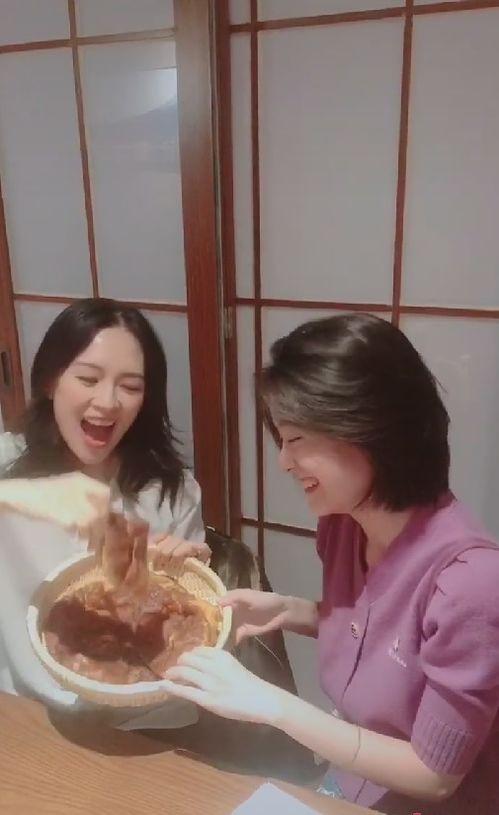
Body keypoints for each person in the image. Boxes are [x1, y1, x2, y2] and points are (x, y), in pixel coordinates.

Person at [160, 313, 499, 814]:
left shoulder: (471, 583)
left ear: (373, 429)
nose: (283, 461)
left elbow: (433, 776)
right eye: (281, 439)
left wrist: (272, 705)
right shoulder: (344, 526)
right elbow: (382, 632)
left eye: (297, 439)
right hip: (350, 786)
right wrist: (291, 611)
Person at [0, 297, 209, 729]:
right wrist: (26, 495)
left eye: (130, 386)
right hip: (30, 714)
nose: (108, 401)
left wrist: (188, 572)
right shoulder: (8, 462)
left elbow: (197, 619)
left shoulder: (171, 490)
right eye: (88, 379)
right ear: (50, 381)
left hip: (149, 720)